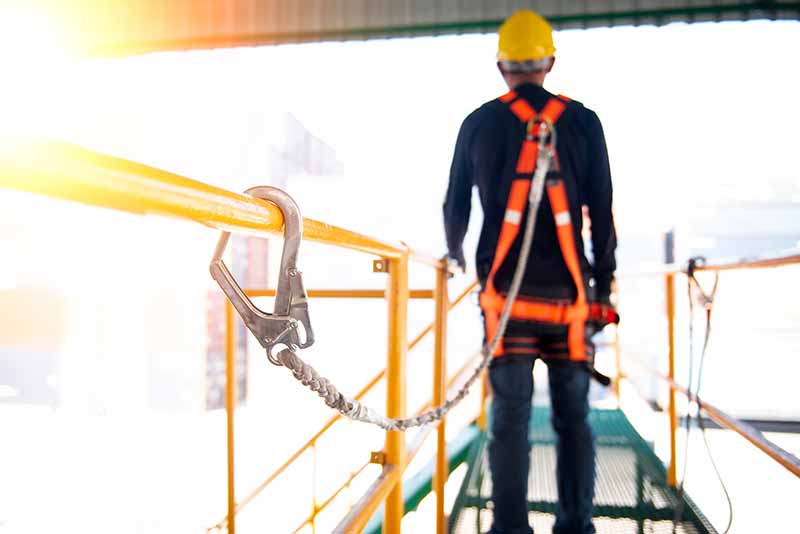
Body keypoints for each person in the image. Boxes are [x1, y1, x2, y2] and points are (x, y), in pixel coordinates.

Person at [443, 9, 617, 534]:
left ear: (502, 66)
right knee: (574, 421)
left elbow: (455, 207)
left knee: (510, 423)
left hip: (506, 305)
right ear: (549, 62)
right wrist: (602, 286)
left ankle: (510, 529)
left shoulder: (478, 123)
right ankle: (576, 526)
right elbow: (602, 213)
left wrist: (455, 257)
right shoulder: (583, 123)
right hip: (569, 303)